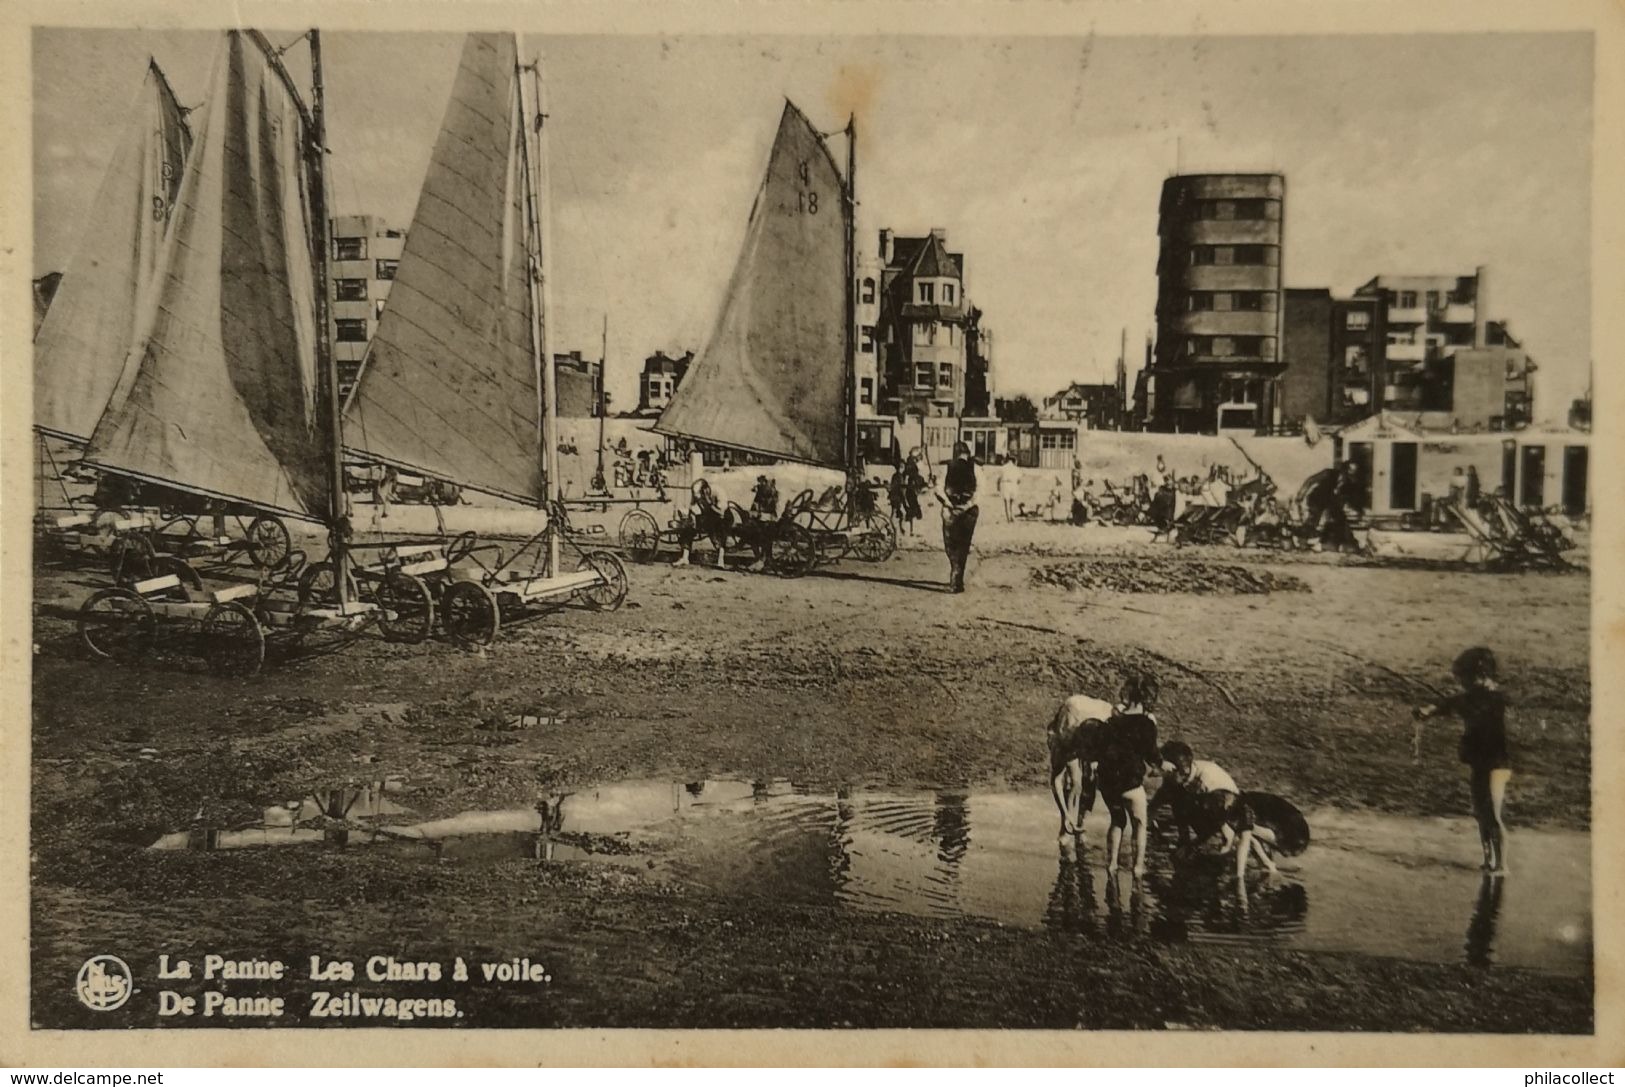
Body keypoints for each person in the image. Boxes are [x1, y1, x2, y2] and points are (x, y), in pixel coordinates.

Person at [1414, 646, 1512, 875]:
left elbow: (1463, 704)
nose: (1462, 684)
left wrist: (1446, 707)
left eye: (1464, 679)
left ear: (1481, 676)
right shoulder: (1470, 697)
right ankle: (1488, 860)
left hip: (1496, 764)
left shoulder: (1495, 699)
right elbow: (1448, 705)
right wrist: (1428, 711)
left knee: (1493, 815)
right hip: (1479, 763)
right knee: (1481, 813)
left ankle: (1502, 865)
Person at [1153, 741, 1280, 879]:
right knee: (1176, 798)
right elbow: (1156, 803)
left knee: (1239, 838)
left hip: (1228, 809)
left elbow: (1218, 822)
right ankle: (1263, 858)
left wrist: (1194, 844)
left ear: (1180, 770)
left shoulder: (1206, 782)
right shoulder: (1176, 778)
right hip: (1212, 808)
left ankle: (1268, 854)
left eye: (1166, 771)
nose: (1162, 774)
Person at [1095, 673, 1161, 878]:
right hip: (1130, 783)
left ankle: (1112, 865)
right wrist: (1160, 763)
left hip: (1107, 782)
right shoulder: (1146, 724)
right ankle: (1138, 868)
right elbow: (1150, 753)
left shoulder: (1111, 722)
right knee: (1140, 823)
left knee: (1117, 821)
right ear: (1148, 699)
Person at [934, 442, 980, 593]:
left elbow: (938, 489)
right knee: (964, 544)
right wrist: (968, 504)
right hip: (968, 510)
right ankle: (957, 579)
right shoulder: (976, 468)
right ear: (967, 453)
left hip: (950, 510)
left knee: (951, 545)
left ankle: (955, 574)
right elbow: (981, 490)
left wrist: (948, 504)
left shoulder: (946, 468)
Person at [674, 473, 731, 569]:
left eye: (699, 496)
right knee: (688, 527)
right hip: (707, 515)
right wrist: (690, 515)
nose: (698, 498)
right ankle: (685, 557)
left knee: (714, 529)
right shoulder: (697, 493)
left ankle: (721, 559)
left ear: (705, 490)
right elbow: (693, 506)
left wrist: (710, 505)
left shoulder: (718, 492)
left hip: (723, 516)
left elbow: (721, 512)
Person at [997, 455, 1021, 523]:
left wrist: (998, 488)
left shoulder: (1003, 468)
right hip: (1013, 484)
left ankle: (1008, 519)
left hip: (1005, 484)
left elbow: (999, 479)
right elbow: (1019, 480)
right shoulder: (1016, 468)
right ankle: (1012, 517)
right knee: (1012, 502)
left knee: (1006, 503)